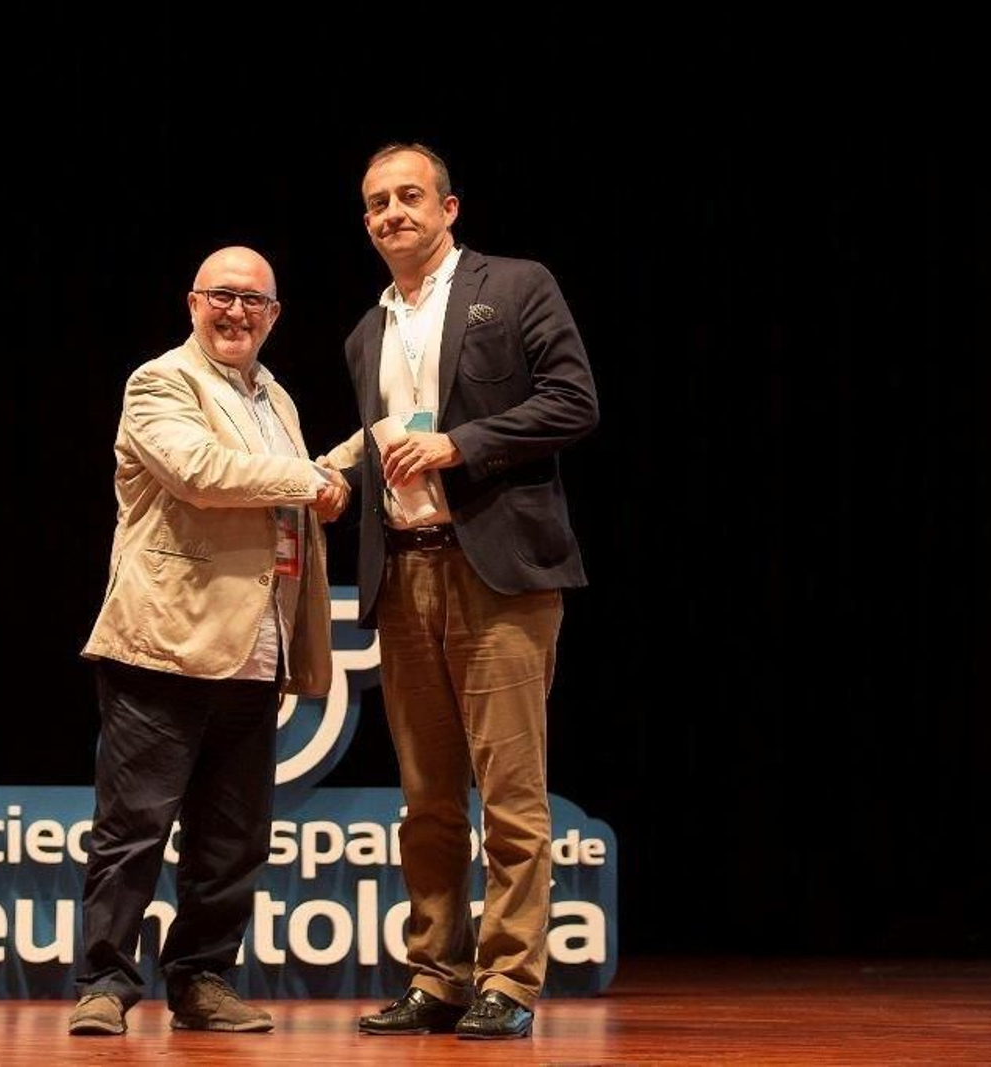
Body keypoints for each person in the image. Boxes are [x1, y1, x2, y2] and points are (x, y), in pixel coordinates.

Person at [321, 144, 598, 1040]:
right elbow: (381, 442)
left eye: (409, 196)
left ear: (449, 208)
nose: (391, 213)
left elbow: (574, 400)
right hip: (404, 574)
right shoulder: (366, 332)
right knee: (428, 800)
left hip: (498, 573)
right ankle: (437, 974)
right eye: (376, 203)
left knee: (511, 793)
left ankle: (509, 977)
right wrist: (336, 478)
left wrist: (460, 444)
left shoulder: (513, 286)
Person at [69, 246, 349, 1036]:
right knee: (134, 828)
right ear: (192, 303)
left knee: (233, 839)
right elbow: (199, 470)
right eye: (221, 295)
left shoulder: (277, 399)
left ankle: (200, 979)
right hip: (164, 640)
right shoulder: (159, 381)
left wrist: (324, 491)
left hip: (255, 646)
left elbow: (281, 501)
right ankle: (104, 982)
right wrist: (309, 480)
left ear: (274, 315)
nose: (235, 311)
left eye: (253, 300)